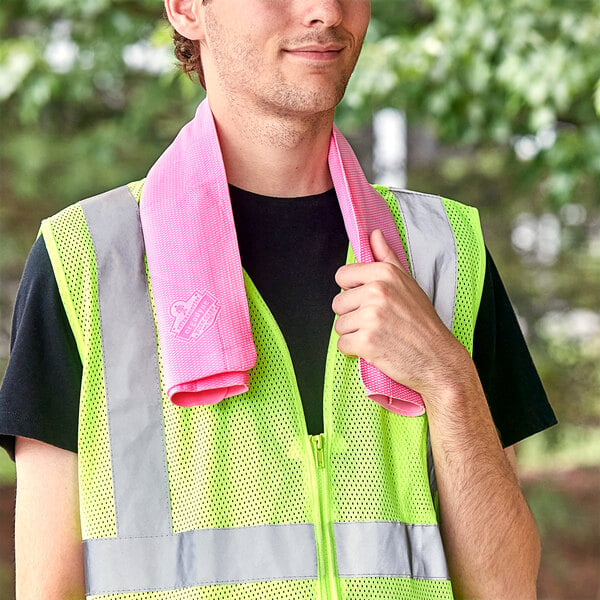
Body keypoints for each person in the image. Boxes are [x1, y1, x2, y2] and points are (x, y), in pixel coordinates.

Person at [0, 1, 557, 598]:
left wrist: (448, 380)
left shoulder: (444, 249)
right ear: (188, 9)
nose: (326, 9)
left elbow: (506, 587)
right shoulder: (86, 258)